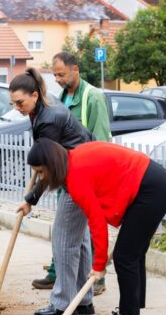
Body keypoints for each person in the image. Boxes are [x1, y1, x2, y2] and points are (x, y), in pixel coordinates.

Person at [25, 138, 166, 315]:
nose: (41, 177)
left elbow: (97, 224)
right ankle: (131, 313)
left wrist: (98, 267)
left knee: (125, 256)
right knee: (133, 253)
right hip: (151, 183)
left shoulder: (76, 177)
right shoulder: (71, 160)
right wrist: (29, 200)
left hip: (151, 188)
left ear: (52, 166)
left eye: (41, 172)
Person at [9, 68, 94, 315]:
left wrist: (30, 199)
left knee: (64, 238)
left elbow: (49, 169)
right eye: (13, 103)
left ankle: (62, 304)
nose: (17, 108)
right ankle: (84, 300)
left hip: (79, 176)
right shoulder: (43, 108)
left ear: (34, 95)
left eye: (20, 102)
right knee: (79, 239)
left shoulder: (48, 120)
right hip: (83, 171)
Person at [33, 52, 112, 293]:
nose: (56, 79)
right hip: (64, 174)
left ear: (75, 69)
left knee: (86, 229)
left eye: (61, 74)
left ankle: (96, 280)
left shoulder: (93, 97)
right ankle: (58, 274)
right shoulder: (60, 99)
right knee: (66, 230)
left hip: (85, 174)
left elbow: (101, 139)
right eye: (54, 75)